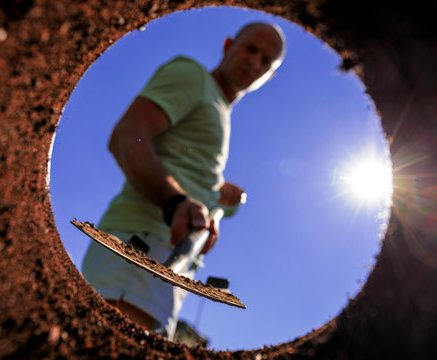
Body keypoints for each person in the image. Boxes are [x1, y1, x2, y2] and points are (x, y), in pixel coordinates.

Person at [82, 22, 286, 339]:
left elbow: (180, 151)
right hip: (138, 249)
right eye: (251, 49)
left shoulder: (218, 110)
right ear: (228, 44)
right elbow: (129, 136)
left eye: (266, 61)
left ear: (269, 77)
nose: (255, 62)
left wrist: (215, 195)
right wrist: (175, 201)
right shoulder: (194, 77)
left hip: (170, 266)